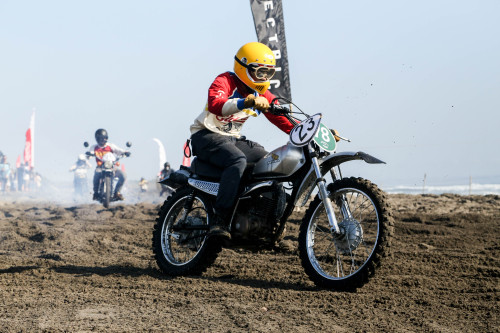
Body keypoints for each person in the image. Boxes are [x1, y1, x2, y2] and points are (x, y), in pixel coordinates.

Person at [189, 42, 294, 240]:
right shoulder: (226, 80)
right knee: (237, 160)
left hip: (232, 139)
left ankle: (271, 227)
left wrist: (311, 130)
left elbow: (278, 116)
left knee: (273, 162)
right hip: (206, 135)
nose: (263, 78)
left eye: (268, 74)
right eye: (260, 72)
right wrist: (245, 102)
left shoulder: (260, 92)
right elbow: (216, 104)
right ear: (244, 67)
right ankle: (219, 220)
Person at [88, 129, 130, 201]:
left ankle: (117, 192)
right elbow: (90, 153)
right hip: (100, 167)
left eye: (104, 138)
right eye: (100, 138)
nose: (102, 140)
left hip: (112, 166)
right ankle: (95, 193)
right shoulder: (94, 147)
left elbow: (119, 151)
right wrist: (89, 154)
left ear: (106, 138)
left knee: (123, 175)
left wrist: (125, 152)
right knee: (96, 175)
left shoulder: (110, 146)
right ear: (97, 139)